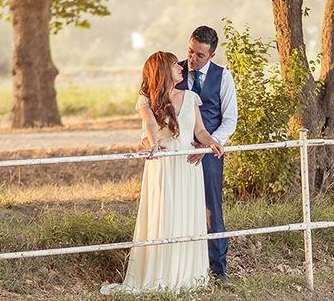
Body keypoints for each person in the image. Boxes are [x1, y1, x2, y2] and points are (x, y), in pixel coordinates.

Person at [100, 51, 224, 295]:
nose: (180, 67)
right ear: (162, 70)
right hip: (164, 166)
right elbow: (148, 125)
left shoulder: (191, 97)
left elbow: (199, 131)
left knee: (187, 215)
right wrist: (152, 143)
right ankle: (161, 273)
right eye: (173, 64)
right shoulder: (148, 101)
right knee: (165, 215)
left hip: (188, 168)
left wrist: (212, 142)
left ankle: (188, 275)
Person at [177, 26, 238, 285]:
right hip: (178, 153)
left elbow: (230, 120)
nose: (192, 58)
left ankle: (218, 269)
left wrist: (210, 144)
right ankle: (182, 266)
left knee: (212, 210)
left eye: (199, 55)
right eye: (190, 51)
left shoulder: (223, 77)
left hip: (210, 154)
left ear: (211, 54)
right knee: (178, 208)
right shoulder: (175, 70)